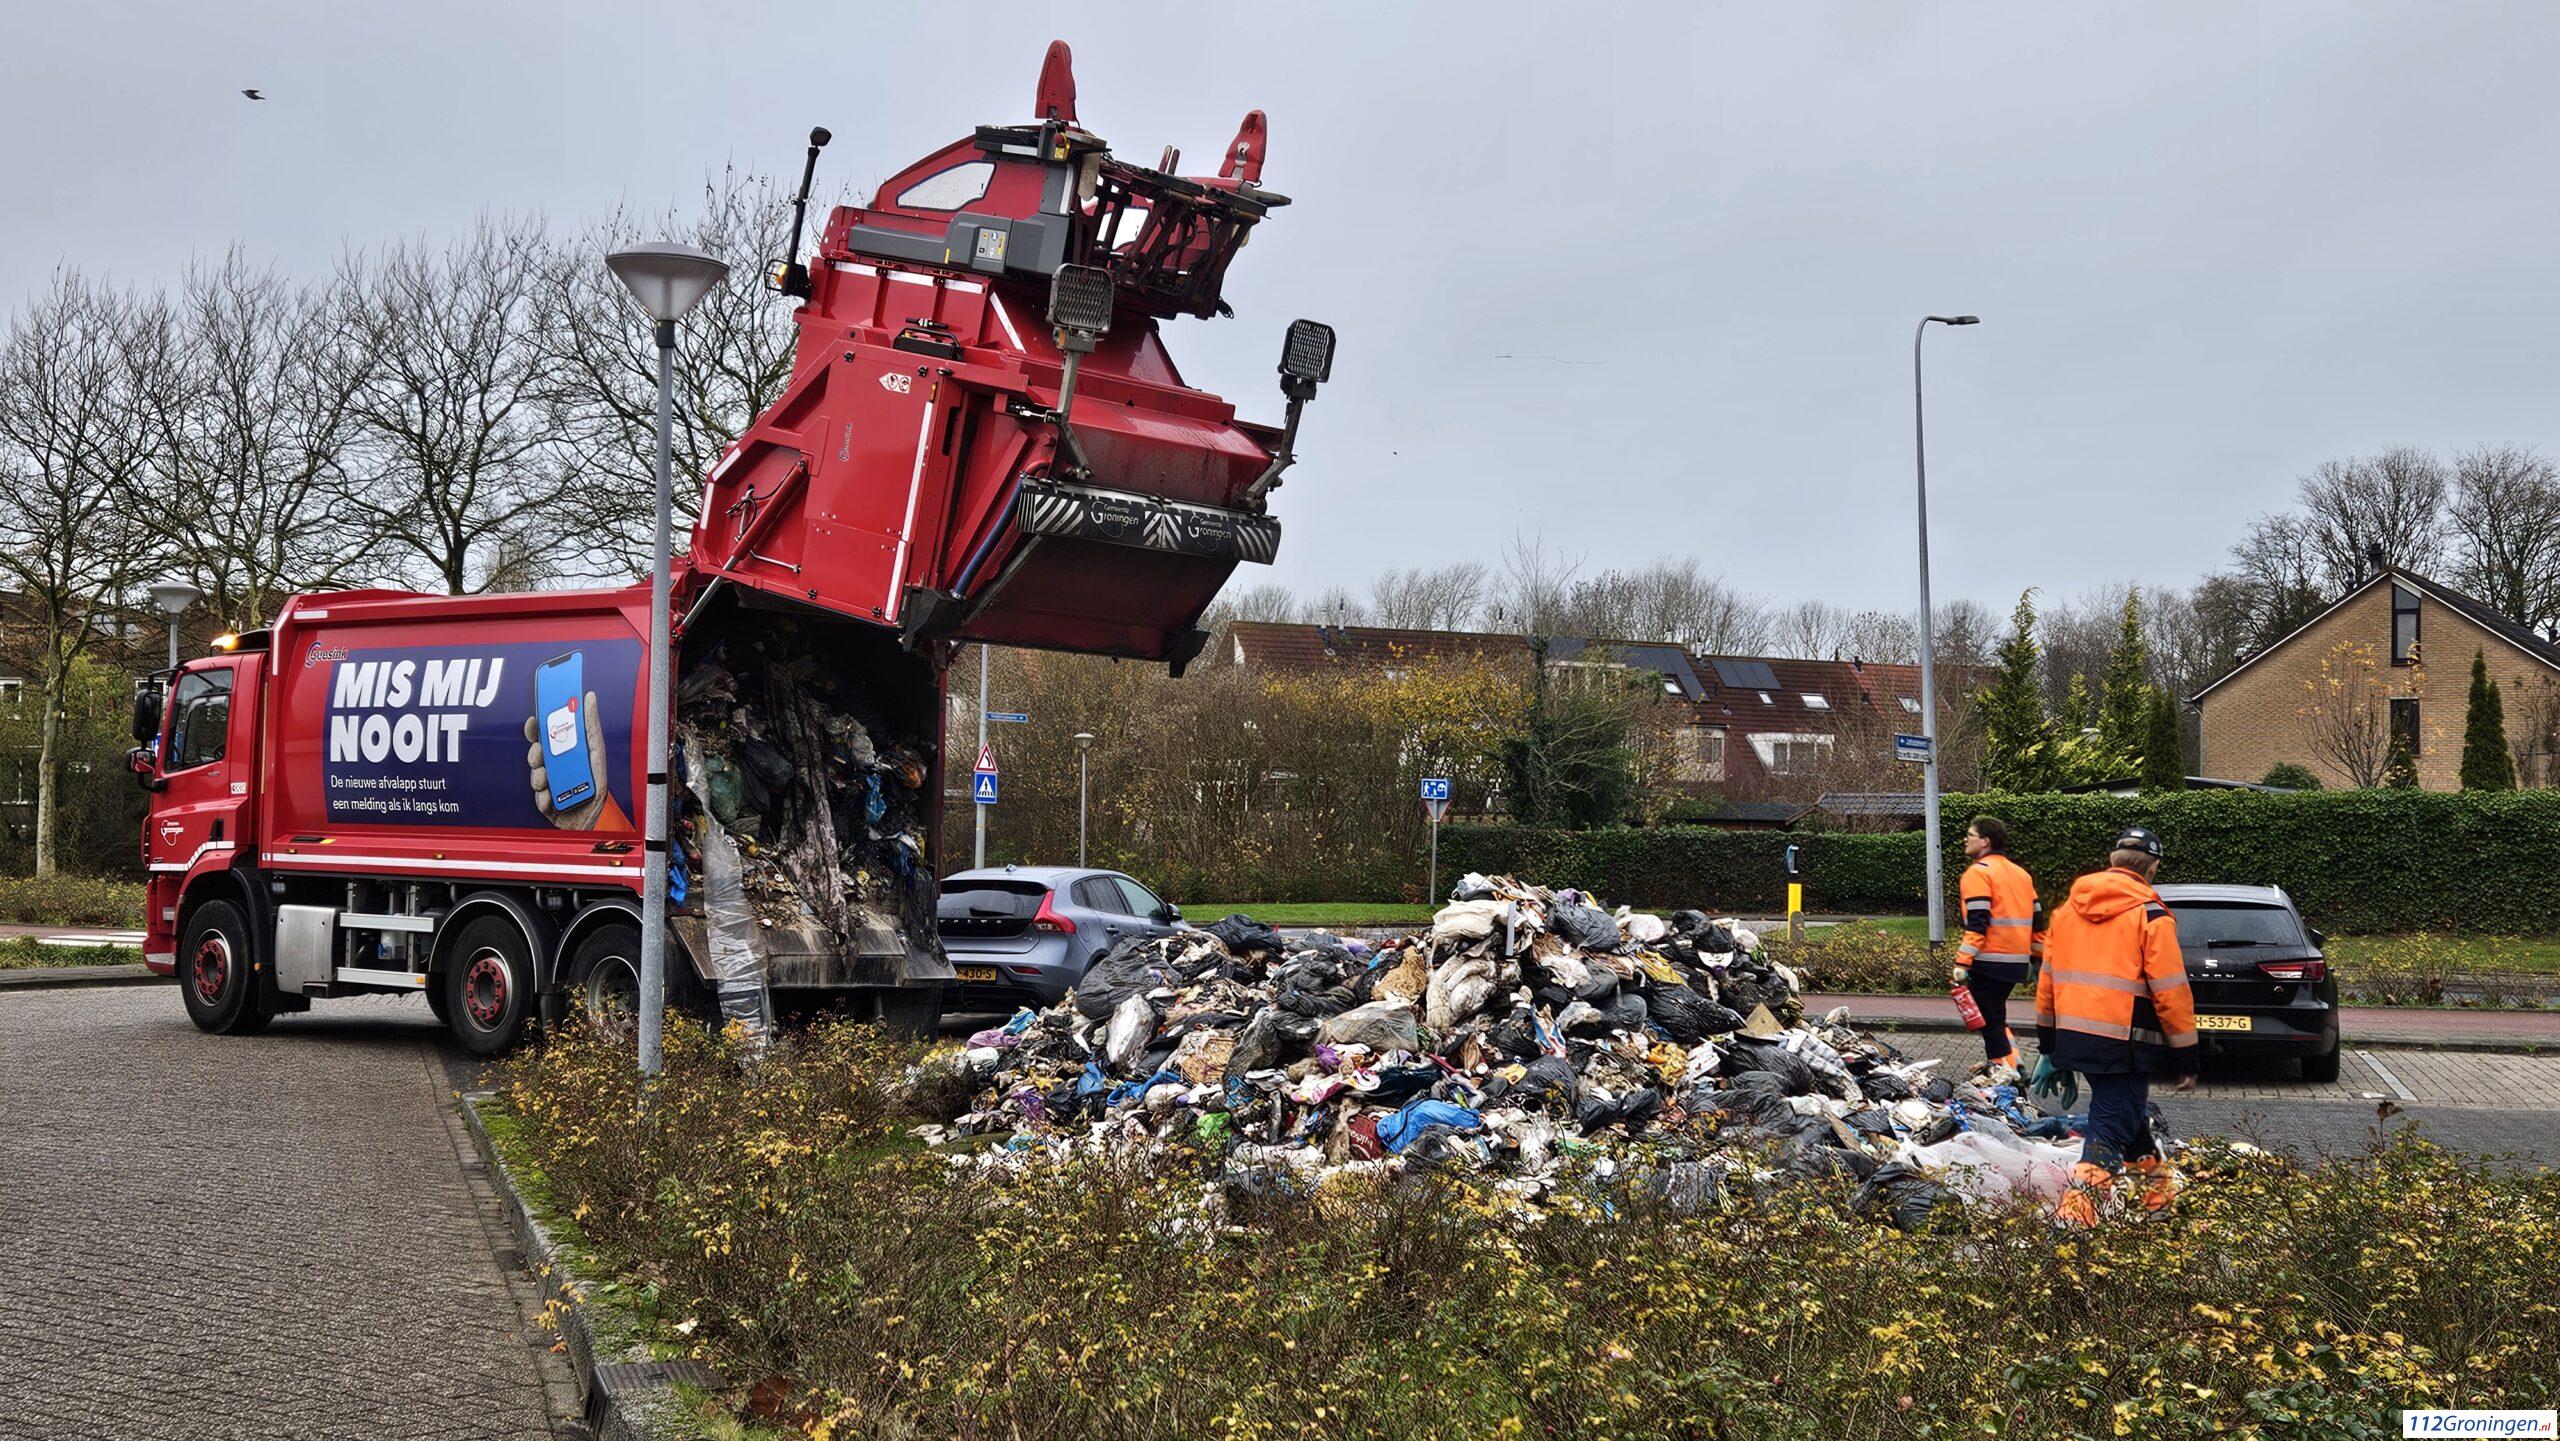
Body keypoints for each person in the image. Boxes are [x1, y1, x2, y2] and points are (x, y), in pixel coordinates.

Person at [2032, 826, 2200, 1225]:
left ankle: (2158, 1199)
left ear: (2113, 861)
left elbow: (2047, 983)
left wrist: (2048, 1045)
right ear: (2152, 867)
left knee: (2131, 1119)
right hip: (2126, 1044)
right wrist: (2187, 1056)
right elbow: (2171, 992)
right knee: (2107, 1128)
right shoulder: (2152, 915)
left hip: (2076, 1039)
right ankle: (2074, 1221)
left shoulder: (2066, 912)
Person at [1953, 816, 2043, 1071]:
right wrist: (2037, 959)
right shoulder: (2021, 874)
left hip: (1988, 961)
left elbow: (1978, 921)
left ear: (1985, 841)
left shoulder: (1978, 873)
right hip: (2014, 964)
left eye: (1970, 835)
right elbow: (2038, 921)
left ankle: (2004, 1074)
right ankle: (2013, 1066)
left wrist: (1962, 961)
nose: (1965, 840)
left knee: (1988, 1022)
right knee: (1995, 1016)